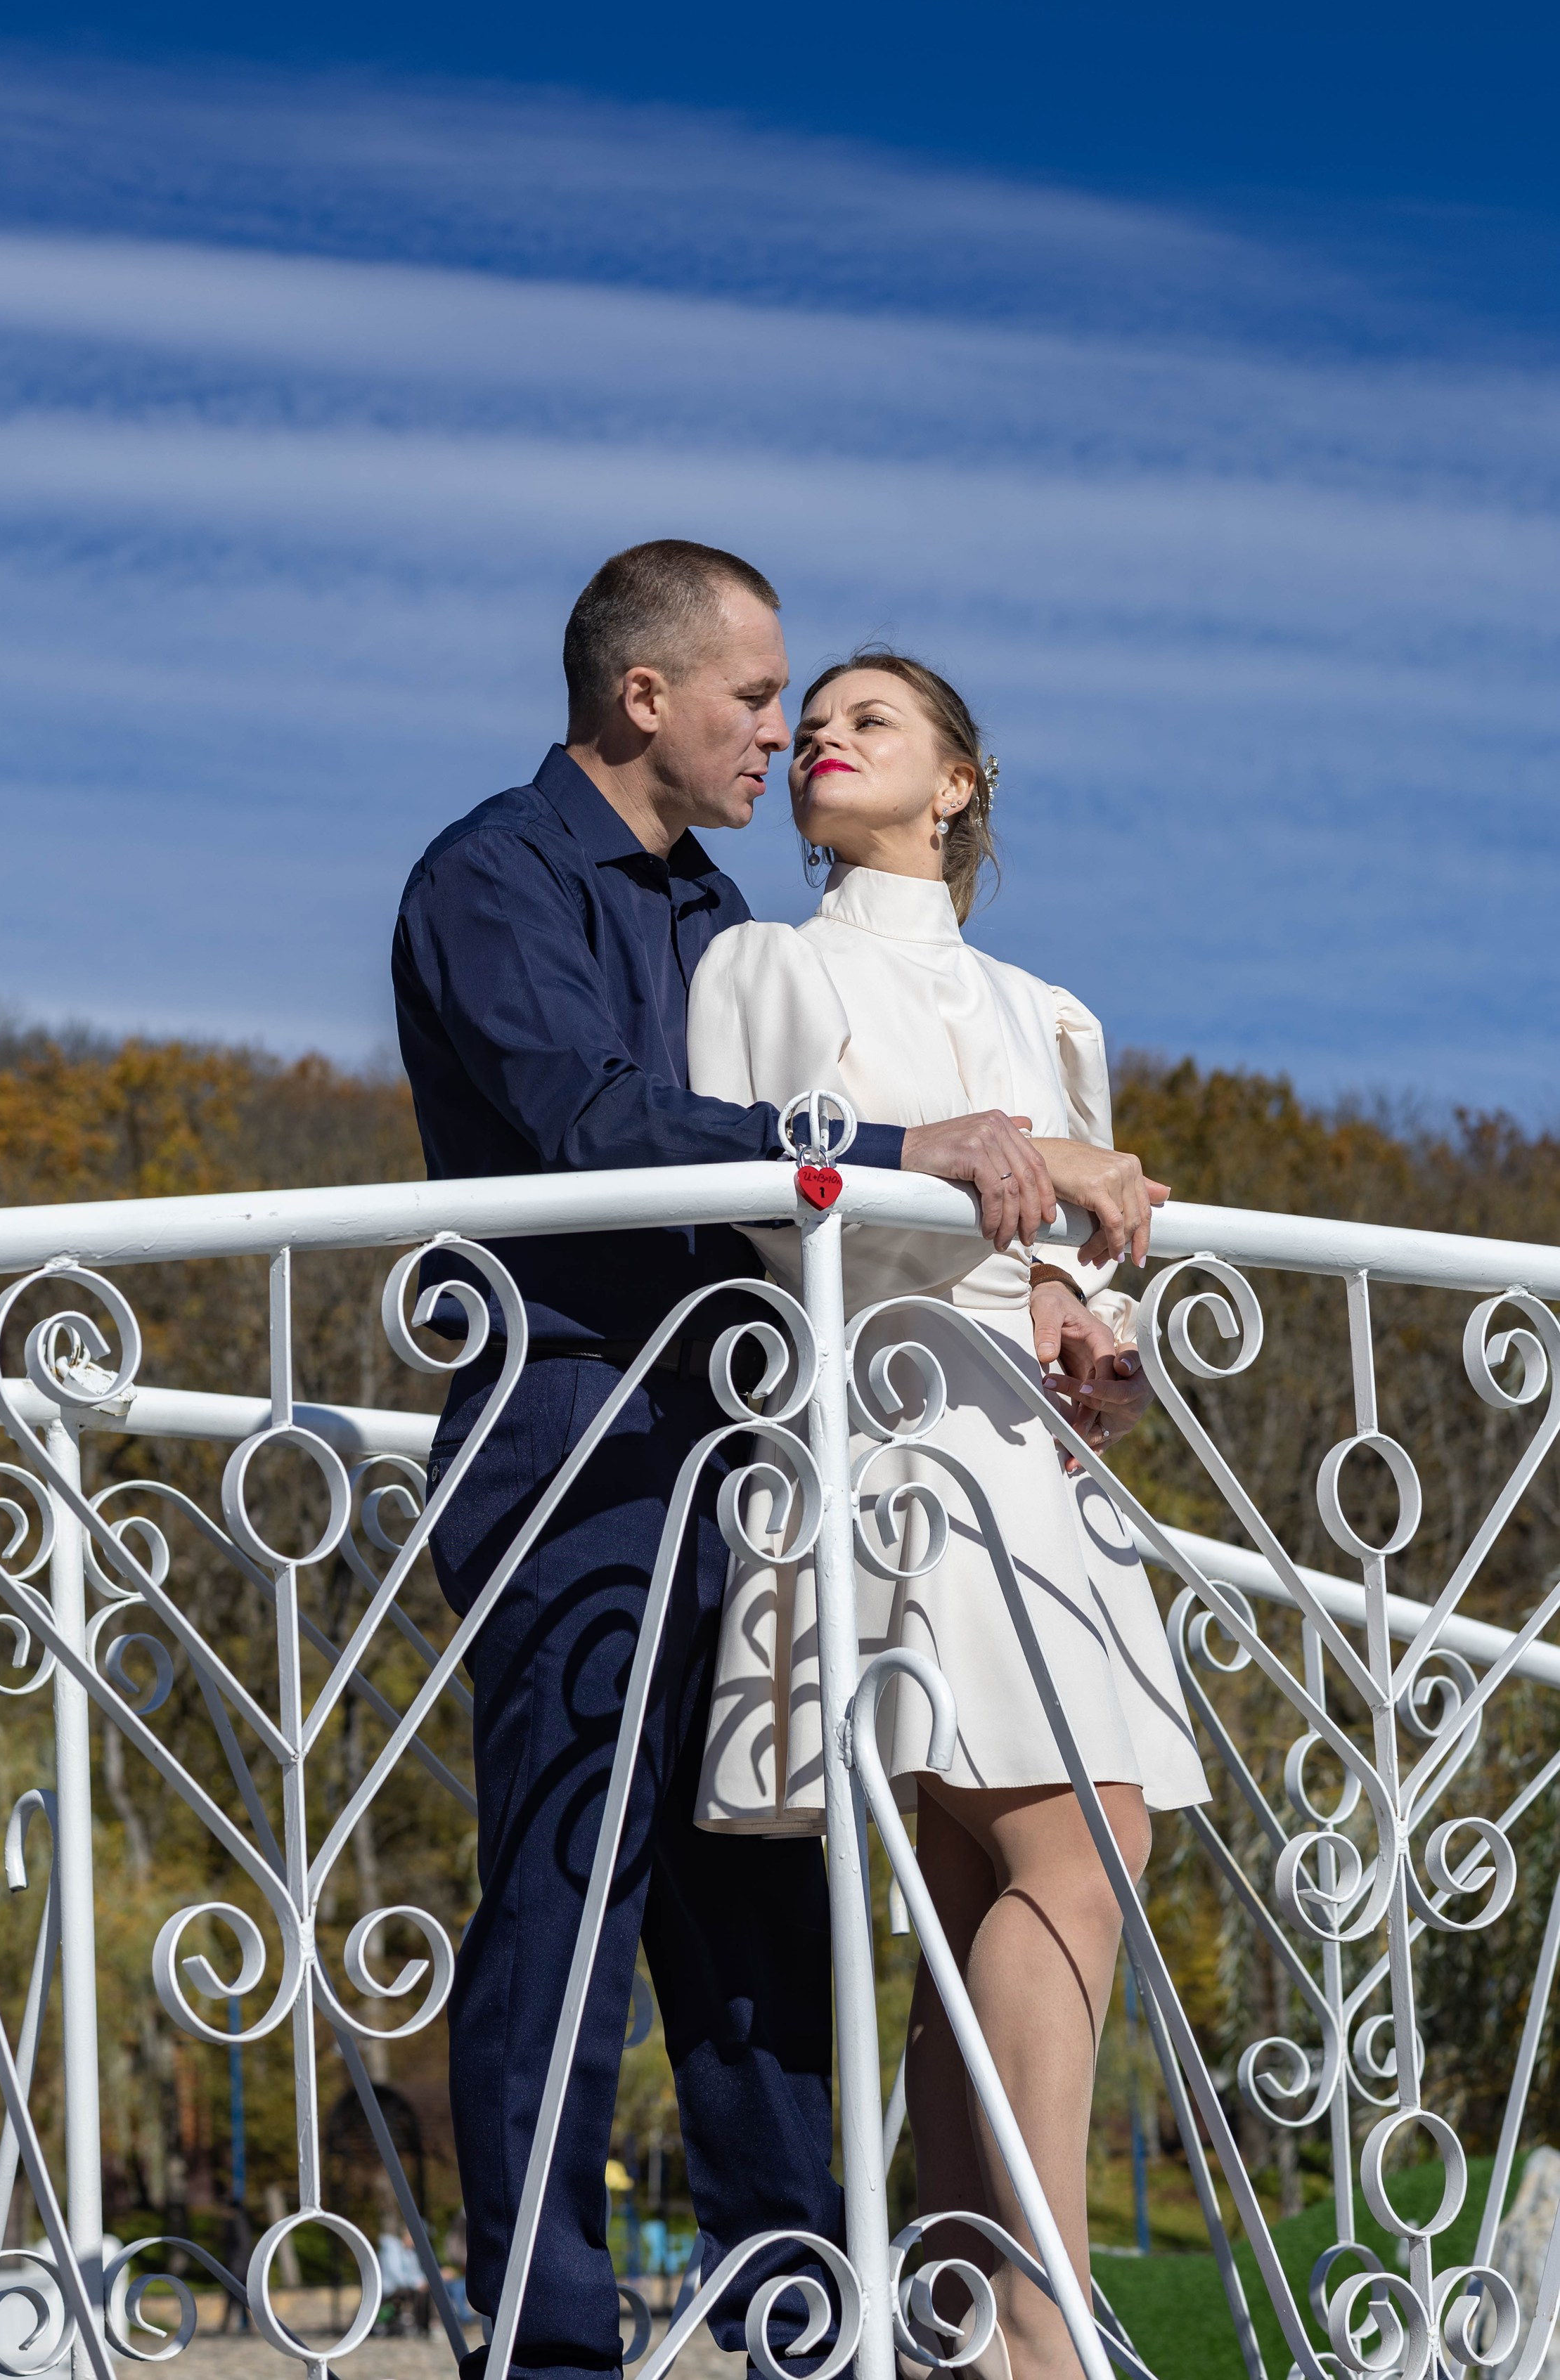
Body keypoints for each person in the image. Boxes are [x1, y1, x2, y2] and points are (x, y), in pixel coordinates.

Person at [391, 545, 1140, 2380]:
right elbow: (595, 1123)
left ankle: (801, 2319)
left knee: (764, 1920)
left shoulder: (715, 911)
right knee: (572, 1888)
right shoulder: (489, 878)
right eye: (754, 697)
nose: (778, 730)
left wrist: (1042, 1277)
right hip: (579, 1436)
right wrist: (900, 1148)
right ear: (643, 696)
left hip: (755, 1447)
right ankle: (552, 2344)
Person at [686, 651, 1209, 2380]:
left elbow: (1078, 1269)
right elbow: (766, 1210)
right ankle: (1037, 2335)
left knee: (989, 1883)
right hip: (889, 1434)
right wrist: (1013, 1185)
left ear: (958, 783)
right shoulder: (764, 965)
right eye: (814, 724)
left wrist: (1094, 1339)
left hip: (1033, 1464)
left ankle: (957, 2331)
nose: (823, 741)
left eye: (872, 721)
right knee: (1086, 1846)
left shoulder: (1052, 1014)